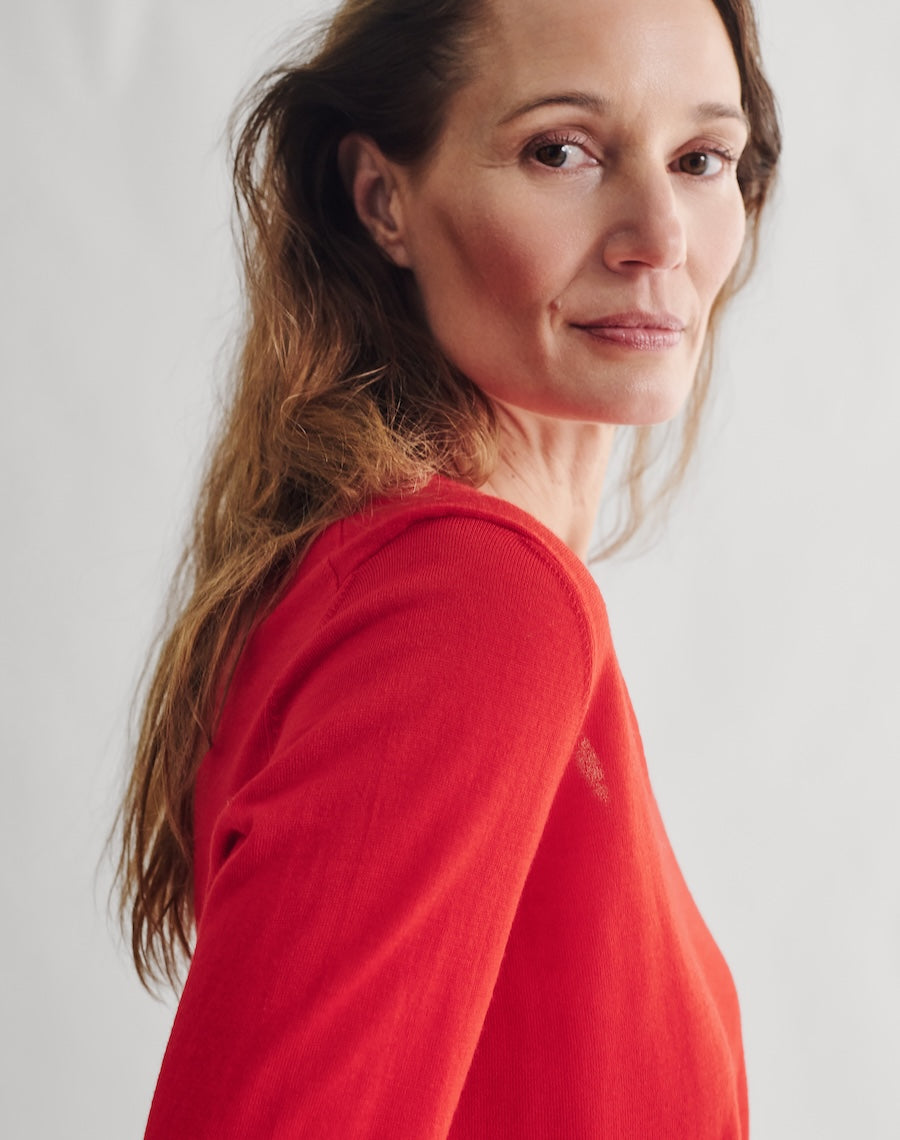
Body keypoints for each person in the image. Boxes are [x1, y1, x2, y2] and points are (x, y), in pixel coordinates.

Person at [116, 0, 780, 1134]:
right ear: (384, 200)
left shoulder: (384, 579)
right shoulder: (476, 602)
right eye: (560, 150)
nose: (660, 233)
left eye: (700, 158)